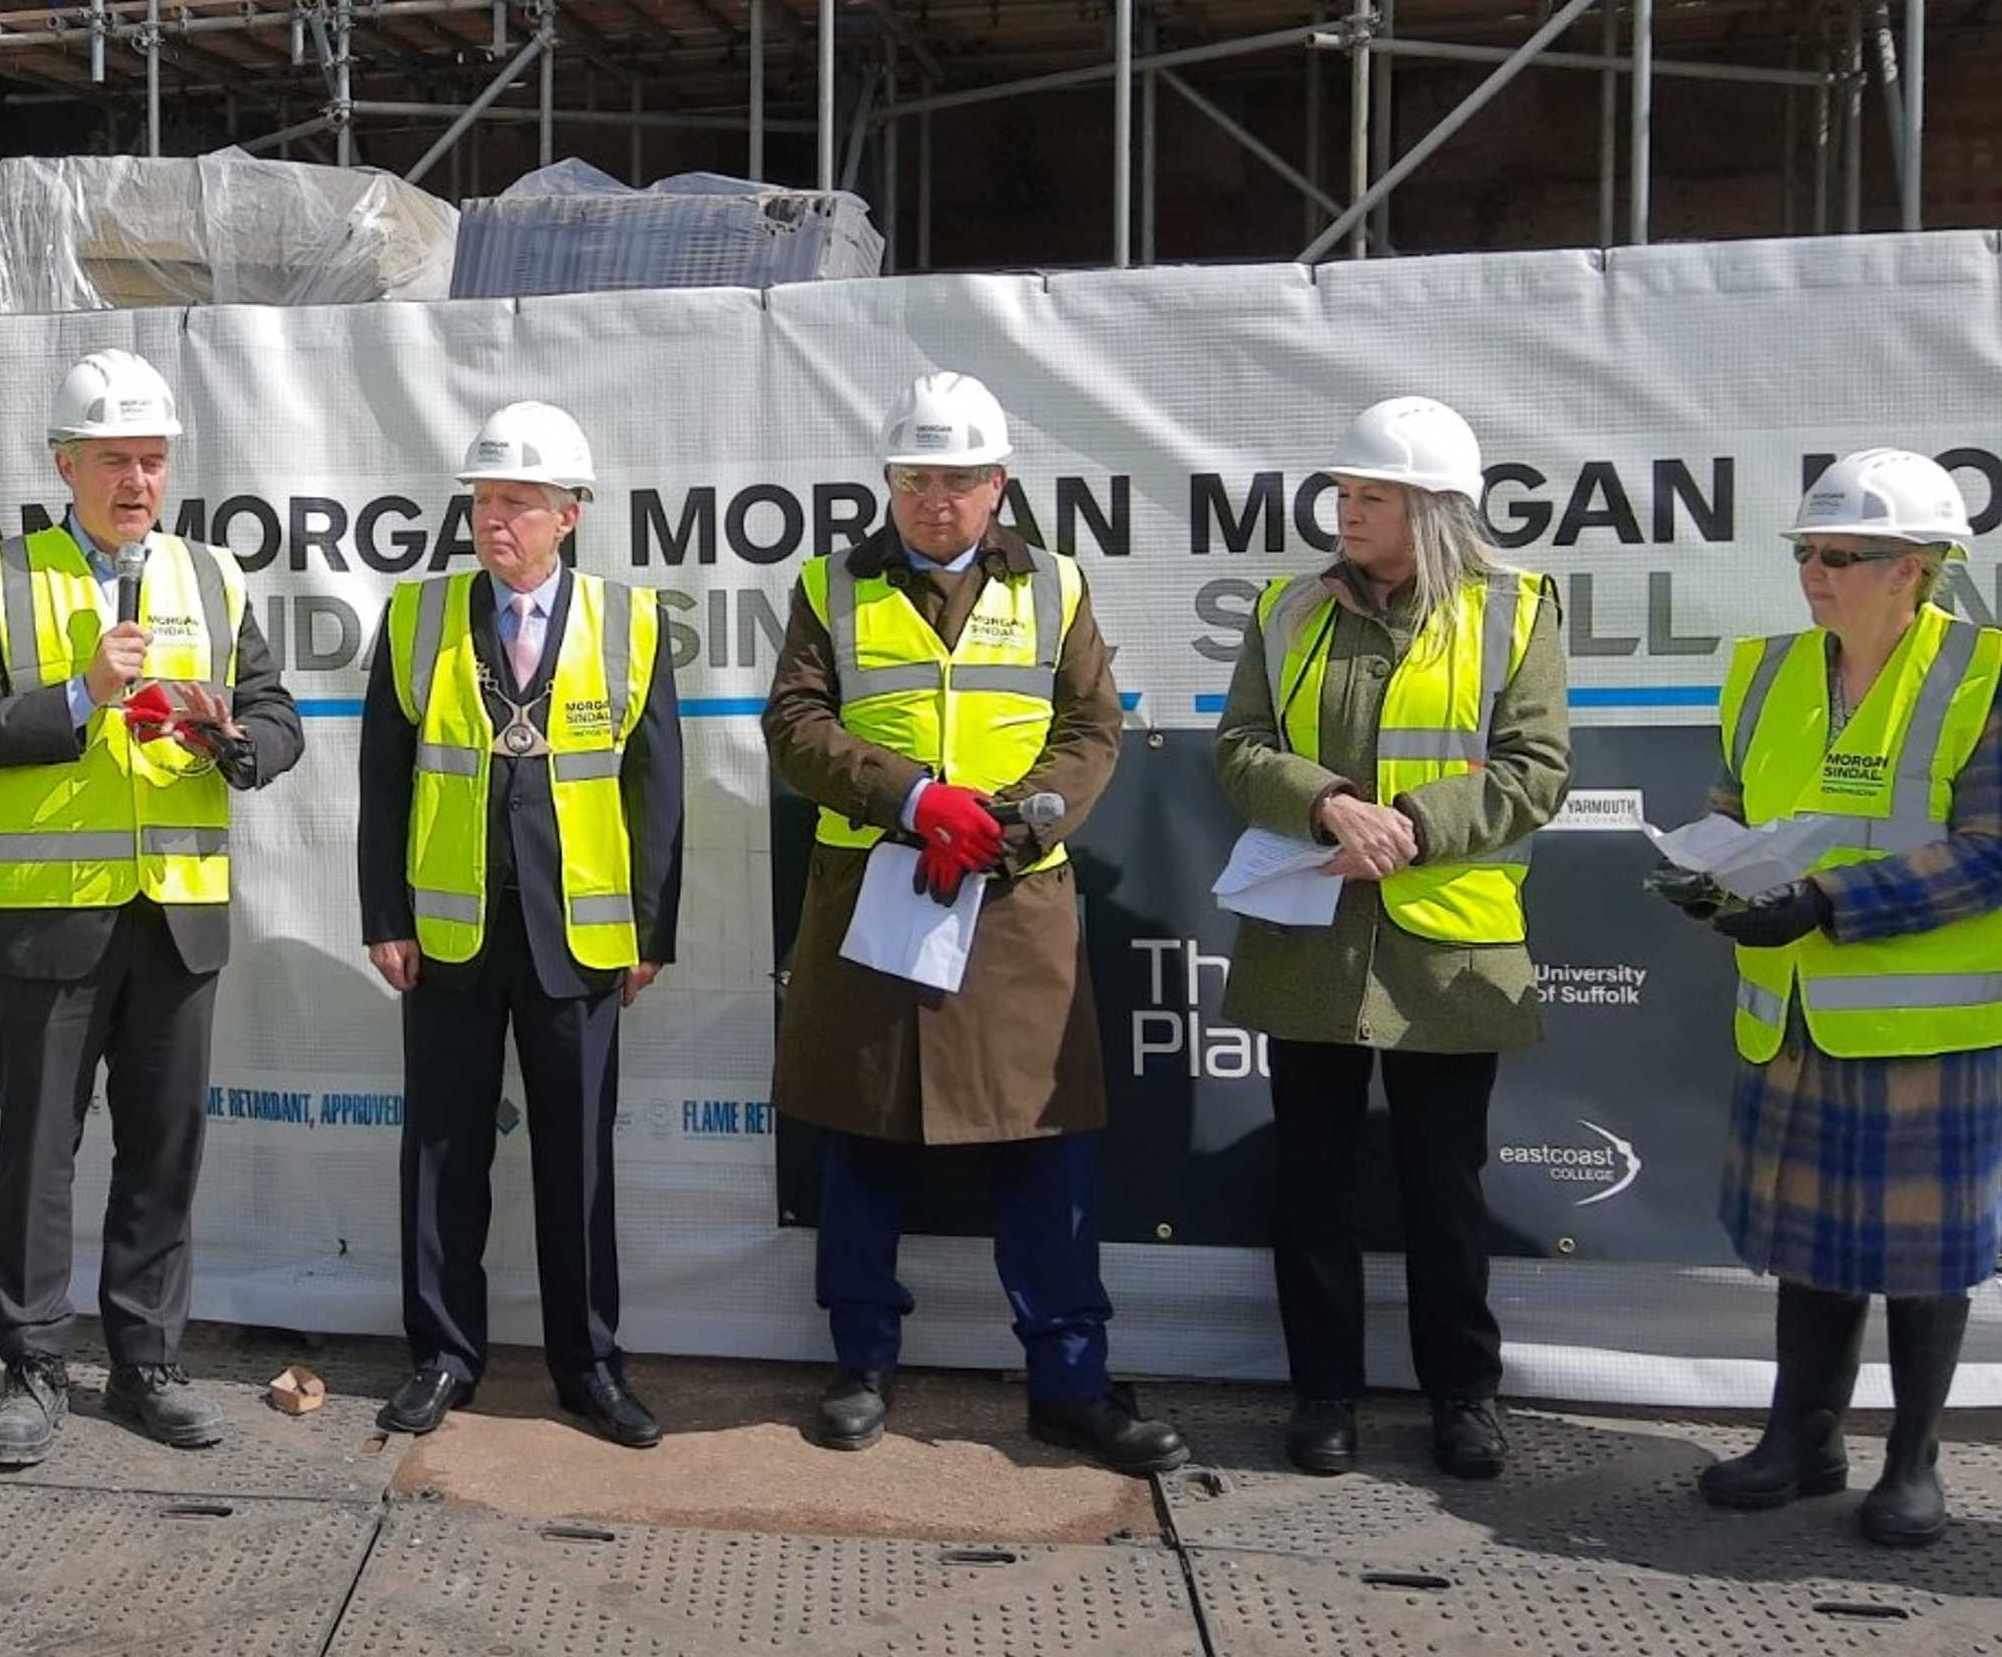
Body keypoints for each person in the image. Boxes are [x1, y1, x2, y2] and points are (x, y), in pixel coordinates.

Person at [763, 371, 1184, 1475]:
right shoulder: (830, 582)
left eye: (954, 478)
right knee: (863, 1143)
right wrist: (912, 797)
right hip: (876, 898)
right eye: (912, 478)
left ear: (998, 483)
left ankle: (1071, 1381)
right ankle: (861, 1364)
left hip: (1014, 897)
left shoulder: (1057, 583)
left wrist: (1015, 821)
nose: (931, 499)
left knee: (1042, 1149)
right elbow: (795, 724)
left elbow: (1094, 727)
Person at [0, 346, 303, 1467]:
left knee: (163, 1149)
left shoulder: (214, 574)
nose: (136, 481)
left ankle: (147, 1362)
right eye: (112, 460)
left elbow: (277, 713)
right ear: (64, 463)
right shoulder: (0, 574)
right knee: (40, 1149)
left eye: (152, 459)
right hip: (51, 917)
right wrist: (82, 693)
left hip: (177, 913)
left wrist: (241, 741)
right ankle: (32, 1366)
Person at [1213, 395, 1569, 1482]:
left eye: (1371, 495)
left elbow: (1536, 770)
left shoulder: (1515, 609)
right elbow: (1235, 750)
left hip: (1449, 949)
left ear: (1434, 511)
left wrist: (1412, 824)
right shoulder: (1286, 610)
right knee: (1311, 1180)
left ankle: (1462, 1396)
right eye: (1345, 491)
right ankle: (1324, 1393)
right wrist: (1326, 802)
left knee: (1442, 1185)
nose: (1346, 510)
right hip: (1307, 936)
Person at [1654, 449, 2002, 1549]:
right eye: (1807, 551)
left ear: (1918, 569)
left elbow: (1992, 850)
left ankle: (1913, 1459)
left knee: (1924, 1252)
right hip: (1794, 1009)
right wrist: (1715, 883)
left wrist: (1824, 901)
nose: (1816, 571)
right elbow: (1734, 803)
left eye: (1842, 554)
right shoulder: (1765, 671)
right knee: (1809, 1242)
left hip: (1925, 1024)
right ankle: (1802, 1437)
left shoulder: (1986, 675)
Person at [358, 401, 683, 1448]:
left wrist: (649, 928)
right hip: (450, 934)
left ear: (569, 513)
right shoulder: (416, 615)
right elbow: (382, 780)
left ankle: (588, 1366)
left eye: (520, 502)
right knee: (444, 1152)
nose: (496, 520)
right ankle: (444, 1354)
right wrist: (385, 914)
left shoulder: (631, 622)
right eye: (485, 499)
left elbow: (658, 788)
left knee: (577, 1160)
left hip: (580, 939)